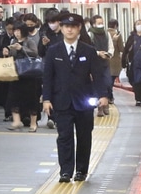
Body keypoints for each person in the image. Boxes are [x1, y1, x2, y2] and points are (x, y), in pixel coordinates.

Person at [41, 12, 109, 183]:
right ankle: (65, 171)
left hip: (84, 102)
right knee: (64, 137)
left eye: (73, 27)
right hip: (61, 102)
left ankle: (81, 170)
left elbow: (98, 75)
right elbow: (47, 77)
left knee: (84, 136)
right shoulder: (53, 51)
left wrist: (103, 95)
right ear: (62, 29)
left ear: (79, 29)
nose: (69, 29)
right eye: (66, 26)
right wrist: (47, 99)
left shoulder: (89, 51)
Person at [4, 23, 41, 132]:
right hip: (16, 73)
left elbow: (35, 53)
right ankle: (16, 121)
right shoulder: (13, 42)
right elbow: (12, 56)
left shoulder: (30, 41)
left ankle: (33, 123)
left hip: (29, 74)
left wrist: (21, 48)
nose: (16, 33)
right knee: (14, 97)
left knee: (31, 98)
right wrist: (7, 52)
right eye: (15, 31)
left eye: (18, 31)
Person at [88, 14, 115, 116]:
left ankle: (106, 102)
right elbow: (89, 49)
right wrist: (98, 53)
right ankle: (100, 107)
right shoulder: (90, 34)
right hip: (94, 64)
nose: (101, 25)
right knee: (97, 85)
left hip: (105, 63)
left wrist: (108, 54)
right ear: (93, 24)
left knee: (108, 83)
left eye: (102, 23)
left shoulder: (107, 34)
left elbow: (110, 46)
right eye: (99, 23)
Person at [107, 18, 124, 92]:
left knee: (107, 78)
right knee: (112, 78)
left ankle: (108, 93)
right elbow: (121, 49)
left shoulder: (104, 34)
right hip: (115, 60)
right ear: (116, 26)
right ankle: (109, 93)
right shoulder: (117, 35)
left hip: (106, 59)